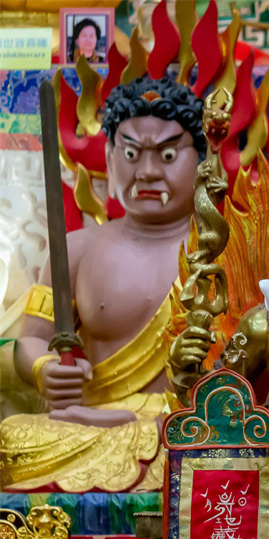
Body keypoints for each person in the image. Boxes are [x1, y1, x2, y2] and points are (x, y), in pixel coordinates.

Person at [1, 76, 211, 491]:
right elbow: (33, 339)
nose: (147, 172)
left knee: (215, 451)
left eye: (168, 155)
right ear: (110, 159)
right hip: (91, 422)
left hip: (188, 427)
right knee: (9, 440)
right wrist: (45, 369)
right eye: (131, 154)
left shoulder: (222, 250)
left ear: (201, 161)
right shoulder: (76, 250)